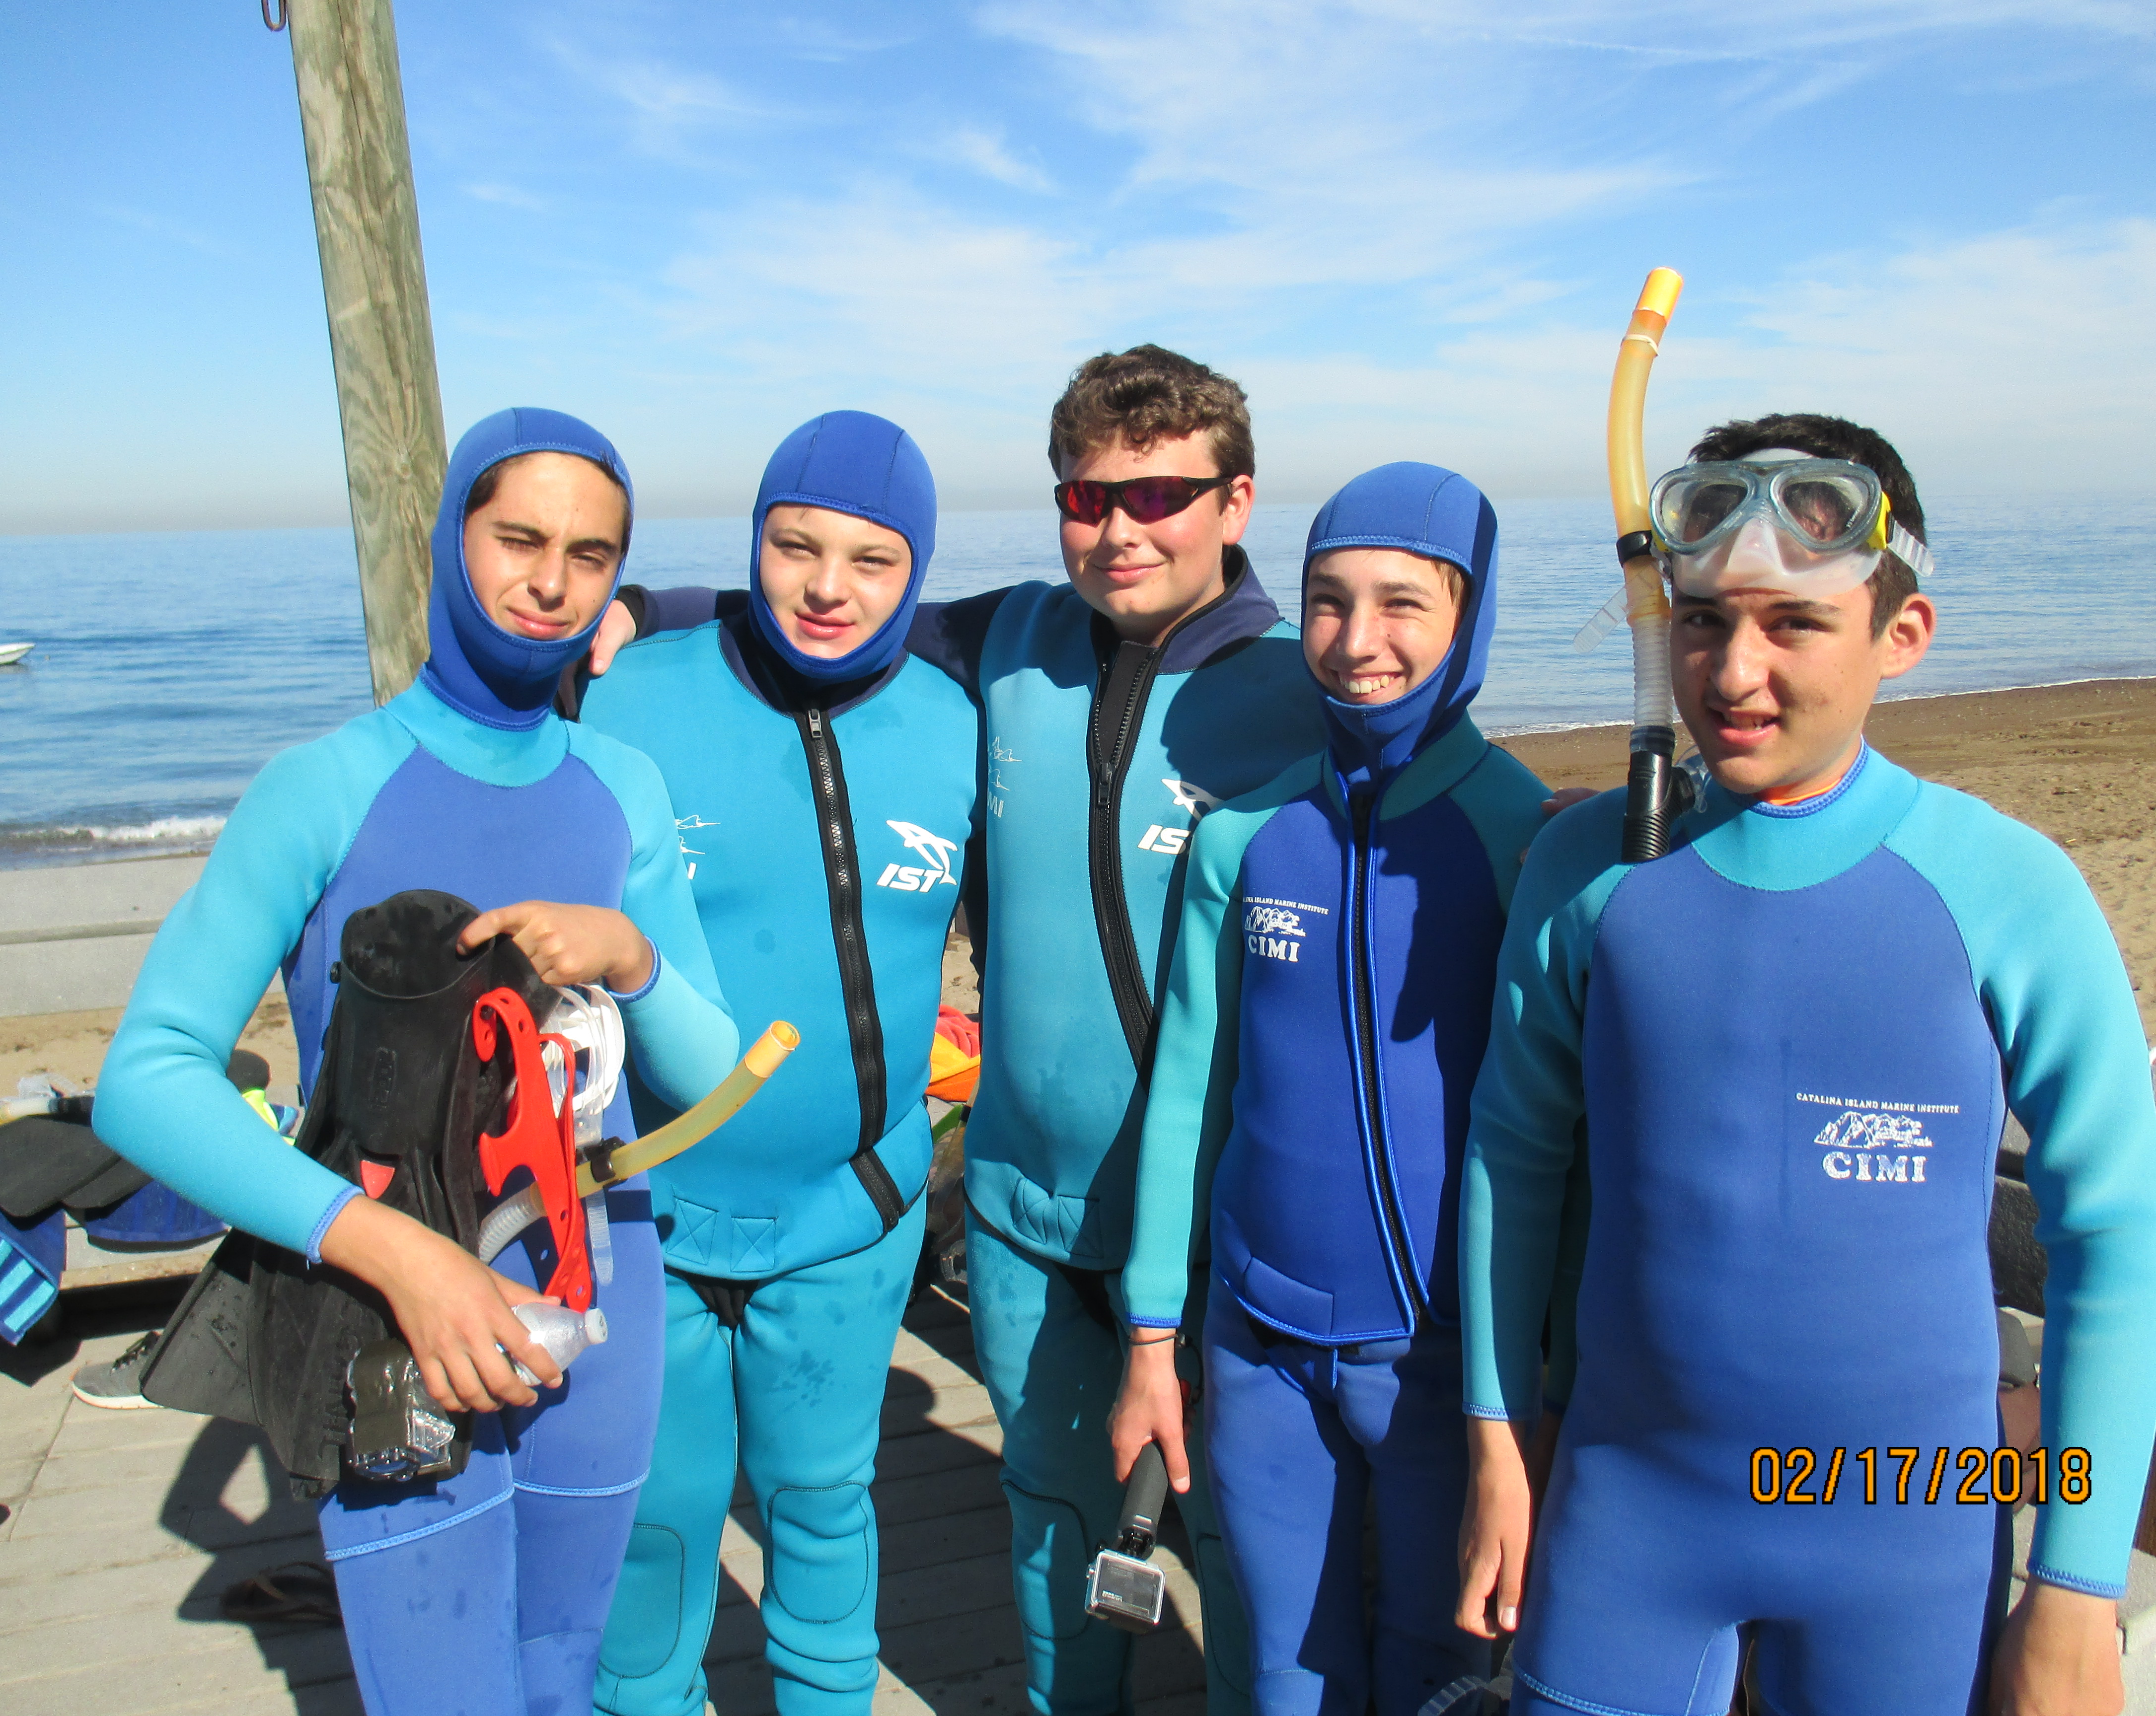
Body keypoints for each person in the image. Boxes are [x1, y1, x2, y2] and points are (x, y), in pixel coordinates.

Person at [591, 347, 1328, 1714]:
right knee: (1052, 1511)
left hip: (1227, 1222)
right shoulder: (1014, 645)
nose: (1119, 530)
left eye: (1161, 495)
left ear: (1237, 502)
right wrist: (630, 606)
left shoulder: (1314, 692)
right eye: (1087, 498)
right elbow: (827, 615)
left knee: (1238, 1543)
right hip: (1016, 1209)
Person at [1455, 415, 2156, 1716]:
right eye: (1703, 619)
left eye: (1793, 625)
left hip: (1910, 1530)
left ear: (1902, 636)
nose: (1734, 671)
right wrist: (1500, 1447)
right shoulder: (1586, 872)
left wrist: (2075, 1592)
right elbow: (1514, 1154)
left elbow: (2112, 1237)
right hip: (1631, 1511)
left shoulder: (2008, 889)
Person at [94, 408, 740, 1716]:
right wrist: (396, 1253)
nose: (553, 580)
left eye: (592, 553)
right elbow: (147, 1077)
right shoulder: (325, 786)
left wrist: (632, 957)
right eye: (519, 538)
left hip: (595, 1325)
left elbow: (709, 1073)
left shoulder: (623, 788)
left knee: (562, 1685)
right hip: (392, 1325)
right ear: (448, 537)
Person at [1109, 464, 1553, 1715]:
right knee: (1281, 1674)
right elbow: (1188, 1094)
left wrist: (1532, 1392)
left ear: (1472, 616)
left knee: (1437, 1670)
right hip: (1258, 1349)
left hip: (1445, 1372)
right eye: (1326, 601)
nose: (1358, 644)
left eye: (1404, 604)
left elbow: (1564, 1146)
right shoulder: (1245, 836)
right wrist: (1155, 1334)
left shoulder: (1526, 835)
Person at [569, 411, 976, 1716]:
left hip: (854, 1211)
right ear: (755, 543)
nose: (826, 586)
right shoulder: (629, 688)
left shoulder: (959, 728)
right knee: (661, 1526)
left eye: (871, 559)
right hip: (650, 1216)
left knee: (821, 1507)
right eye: (794, 546)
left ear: (916, 570)